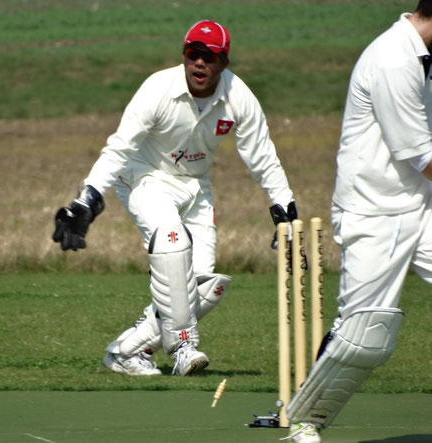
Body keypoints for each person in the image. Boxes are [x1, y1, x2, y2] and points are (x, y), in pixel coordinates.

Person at [53, 20, 298, 376]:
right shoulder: (158, 88)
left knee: (203, 285)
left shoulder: (238, 96)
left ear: (224, 63)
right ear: (184, 56)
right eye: (192, 54)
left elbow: (262, 156)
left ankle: (128, 352)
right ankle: (184, 347)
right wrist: (86, 199)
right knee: (171, 242)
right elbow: (119, 148)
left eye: (210, 57)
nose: (200, 64)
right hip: (145, 176)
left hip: (196, 185)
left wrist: (286, 213)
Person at [284, 2, 432, 442]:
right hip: (374, 212)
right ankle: (304, 424)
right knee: (361, 332)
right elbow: (423, 157)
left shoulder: (423, 56)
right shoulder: (393, 59)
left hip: (422, 208)